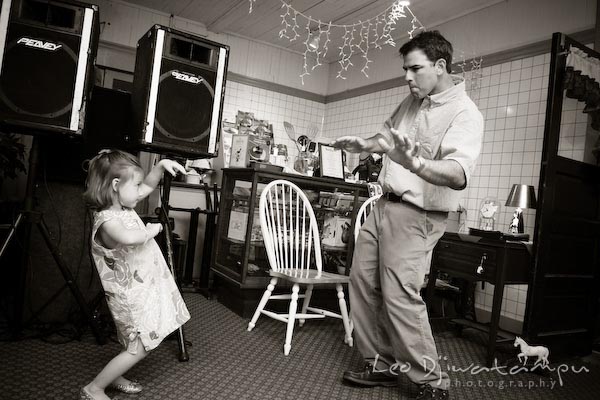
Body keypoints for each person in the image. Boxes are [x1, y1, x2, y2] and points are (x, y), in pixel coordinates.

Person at [332, 30, 483, 400]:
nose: (407, 77)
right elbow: (386, 138)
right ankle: (380, 365)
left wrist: (415, 162)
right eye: (405, 70)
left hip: (418, 214)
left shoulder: (465, 113)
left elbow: (458, 173)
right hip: (384, 206)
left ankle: (431, 382)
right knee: (362, 283)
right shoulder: (412, 100)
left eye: (415, 69)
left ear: (441, 66)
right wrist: (364, 145)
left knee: (401, 295)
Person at [80, 150, 191, 400]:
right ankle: (93, 388)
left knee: (134, 341)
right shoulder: (107, 220)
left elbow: (149, 185)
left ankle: (115, 374)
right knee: (138, 348)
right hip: (128, 297)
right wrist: (152, 230)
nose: (142, 190)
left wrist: (161, 166)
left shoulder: (123, 206)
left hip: (141, 290)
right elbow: (129, 238)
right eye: (136, 185)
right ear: (116, 186)